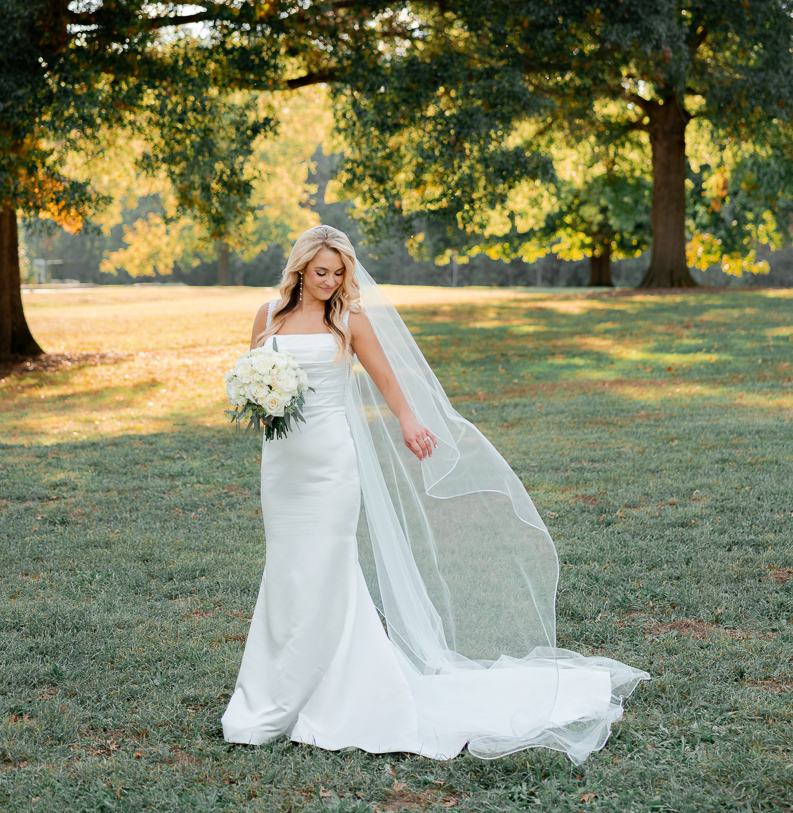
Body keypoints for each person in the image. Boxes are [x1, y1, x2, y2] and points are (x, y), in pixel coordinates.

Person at [221, 225, 647, 762]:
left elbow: (388, 380)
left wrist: (409, 422)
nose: (330, 282)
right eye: (321, 272)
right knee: (286, 567)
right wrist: (257, 399)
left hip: (331, 463)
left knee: (329, 566)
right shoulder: (269, 316)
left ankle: (336, 688)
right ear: (300, 269)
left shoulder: (350, 320)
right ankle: (275, 684)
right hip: (282, 465)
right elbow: (251, 372)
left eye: (338, 273)